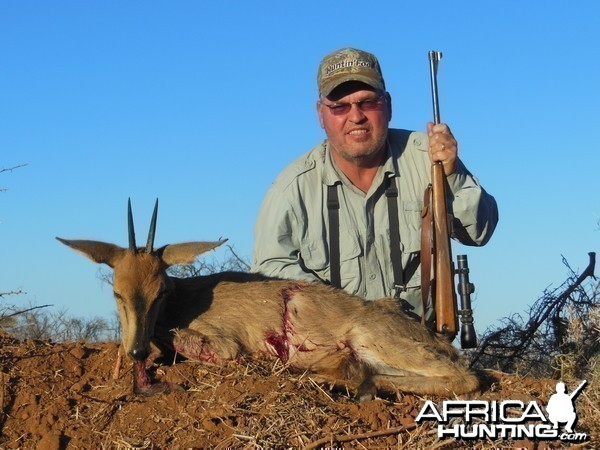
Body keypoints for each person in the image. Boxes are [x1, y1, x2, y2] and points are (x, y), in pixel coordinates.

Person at [252, 47, 498, 322]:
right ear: (321, 114)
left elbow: (479, 232)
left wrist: (452, 175)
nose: (356, 116)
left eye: (368, 102)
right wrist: (335, 313)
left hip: (421, 345)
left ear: (388, 105)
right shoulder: (290, 189)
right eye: (340, 107)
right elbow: (268, 275)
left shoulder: (429, 157)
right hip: (338, 351)